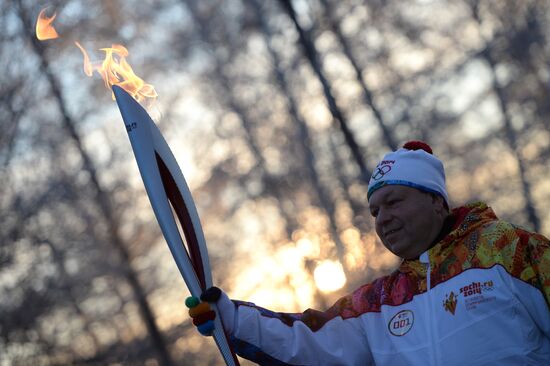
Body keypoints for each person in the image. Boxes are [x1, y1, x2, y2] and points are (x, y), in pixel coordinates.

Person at [187, 141, 550, 365]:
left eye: (394, 201)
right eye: (375, 211)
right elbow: (311, 342)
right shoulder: (380, 303)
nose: (383, 218)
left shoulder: (511, 251)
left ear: (437, 202)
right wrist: (232, 319)